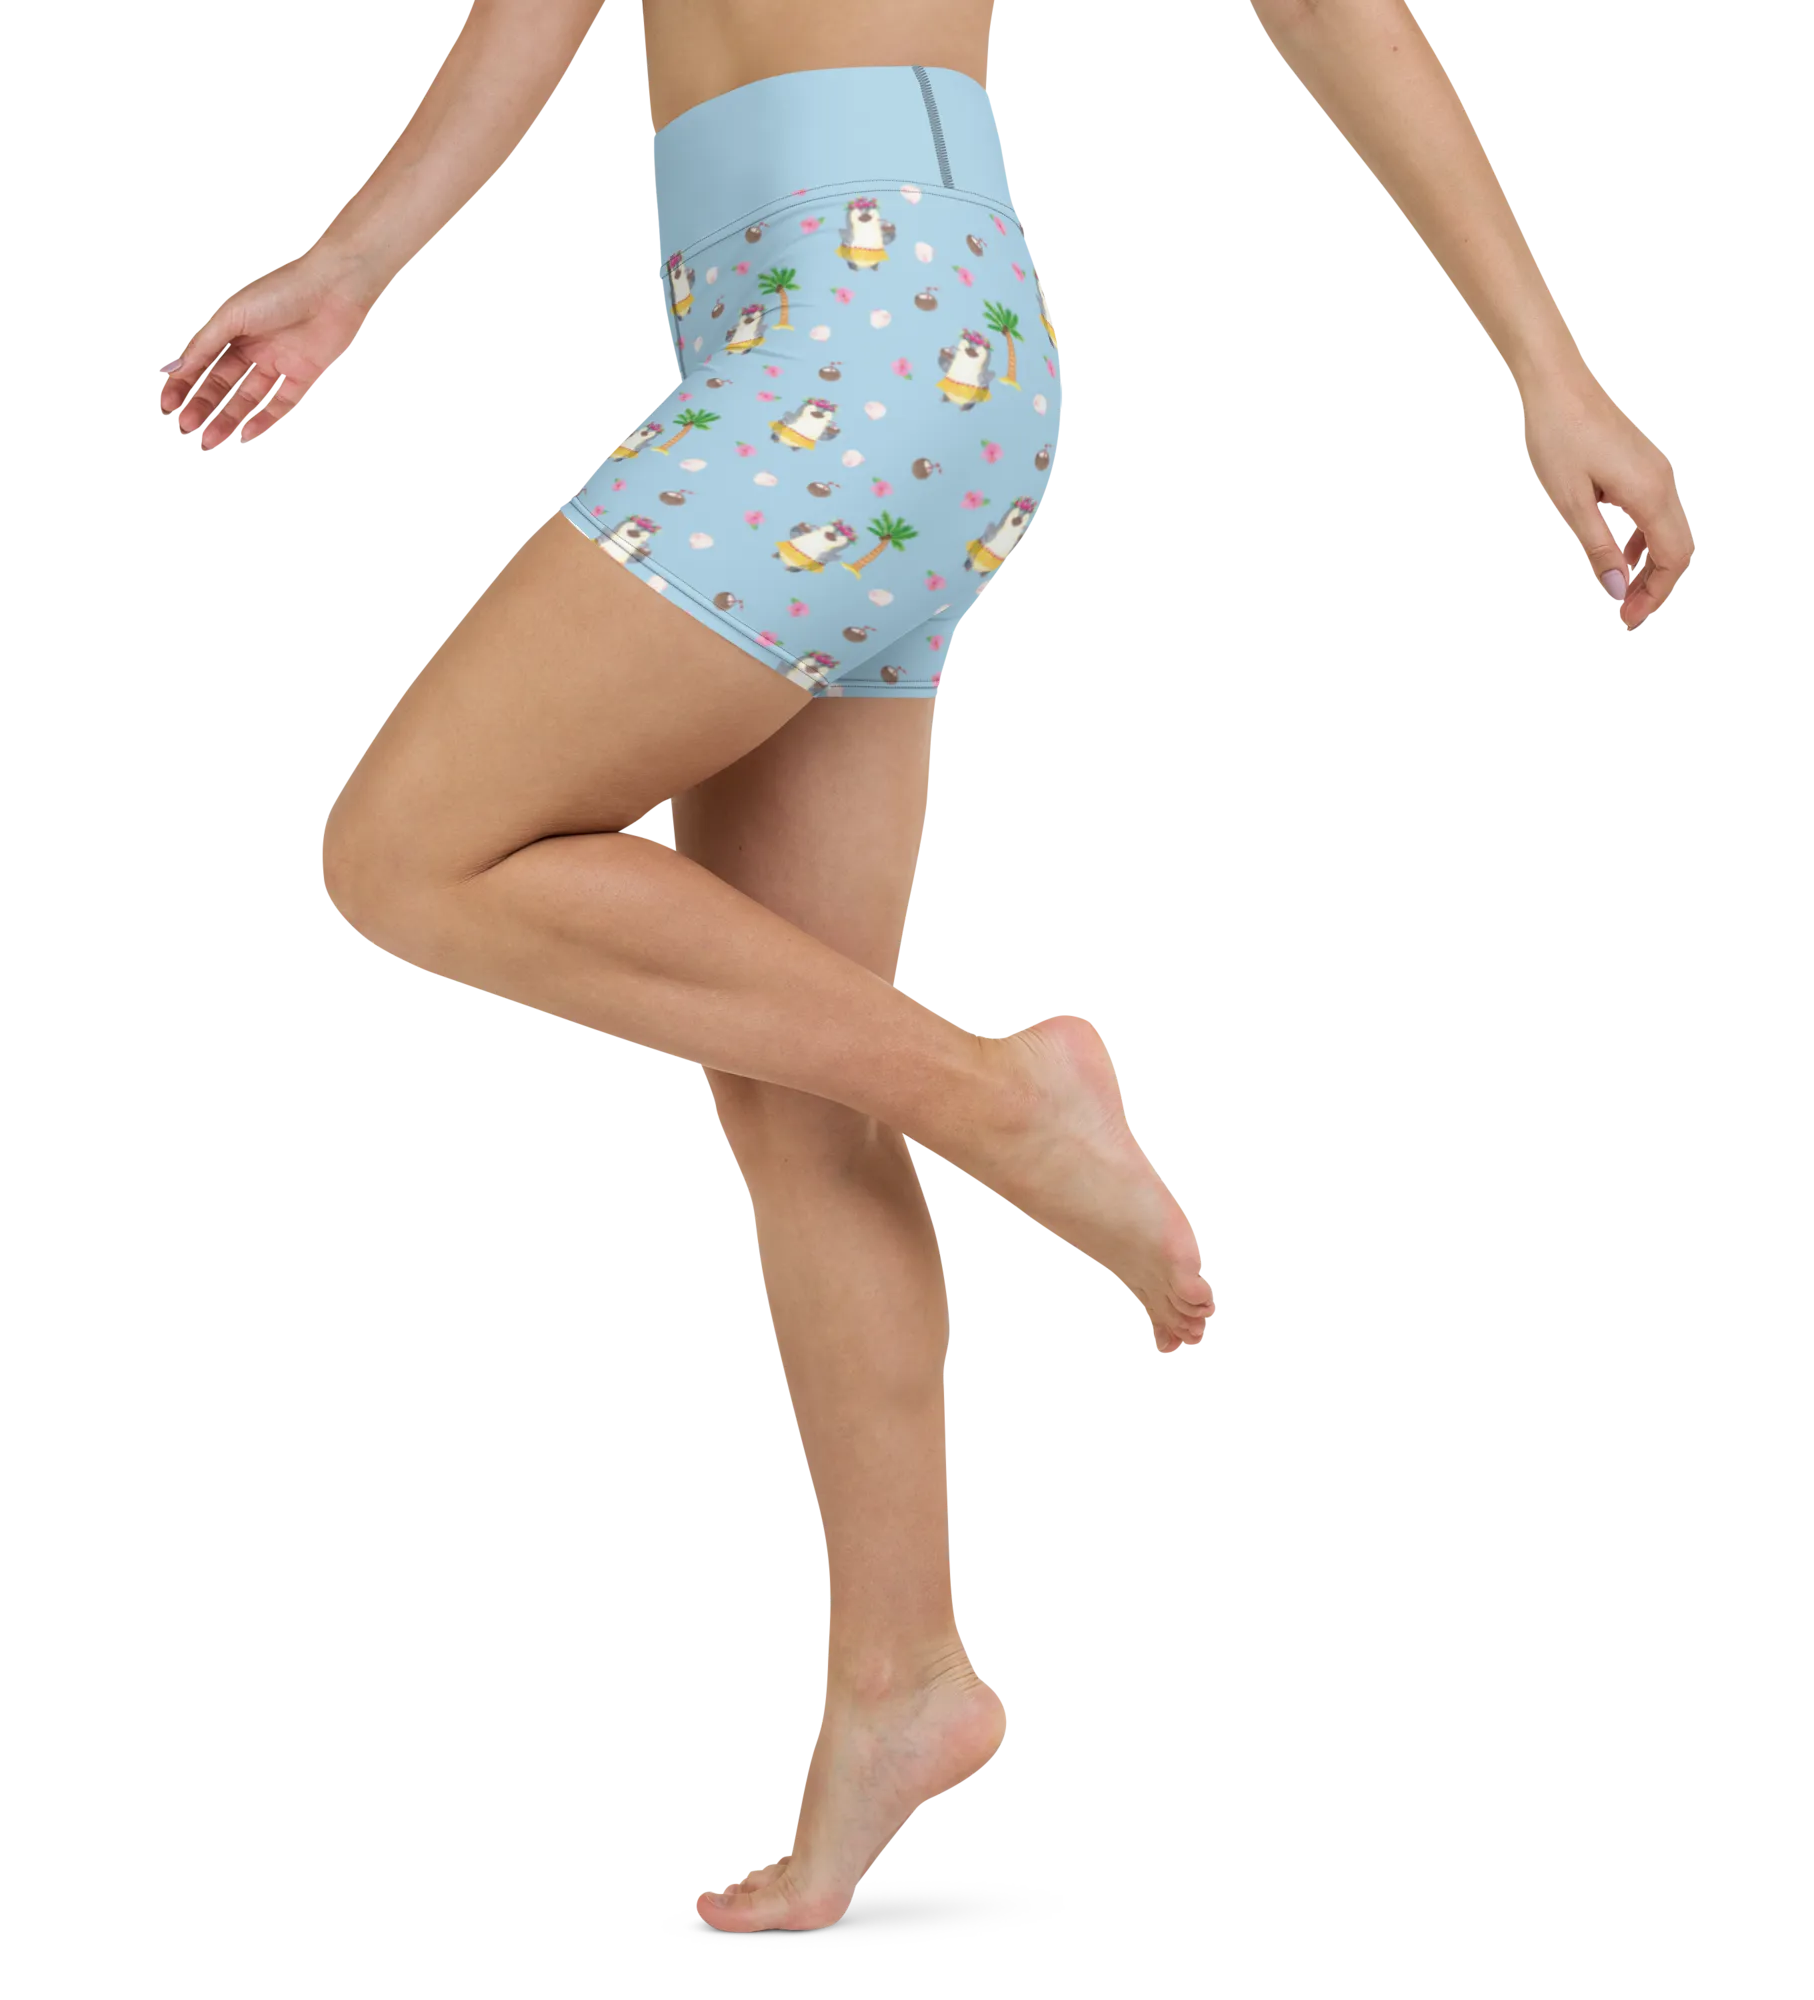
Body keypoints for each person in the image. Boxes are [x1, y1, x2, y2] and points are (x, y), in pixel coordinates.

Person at [157, 2, 1685, 1933]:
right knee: (800, 1071)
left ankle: (1007, 1101)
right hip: (810, 334)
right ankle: (903, 1679)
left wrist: (1552, 369)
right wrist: (350, 271)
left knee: (405, 850)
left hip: (871, 331)